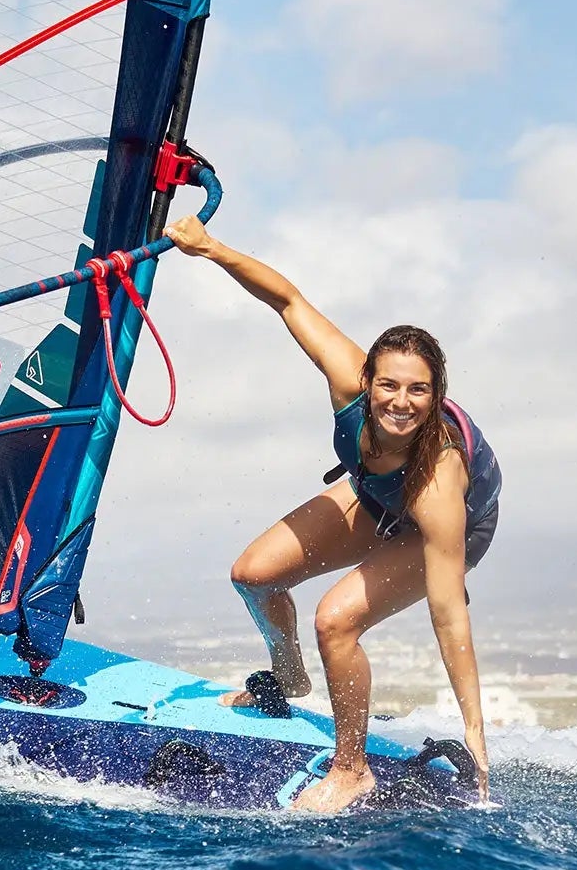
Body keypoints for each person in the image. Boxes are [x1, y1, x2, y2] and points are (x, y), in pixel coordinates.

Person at [165, 215, 502, 811]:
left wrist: (474, 729)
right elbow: (287, 299)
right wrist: (211, 248)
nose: (401, 402)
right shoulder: (347, 379)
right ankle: (288, 677)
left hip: (449, 525)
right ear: (367, 380)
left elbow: (449, 614)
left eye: (419, 390)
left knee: (336, 621)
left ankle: (351, 770)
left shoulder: (439, 480)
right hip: (375, 493)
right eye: (389, 386)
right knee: (253, 575)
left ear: (436, 394)